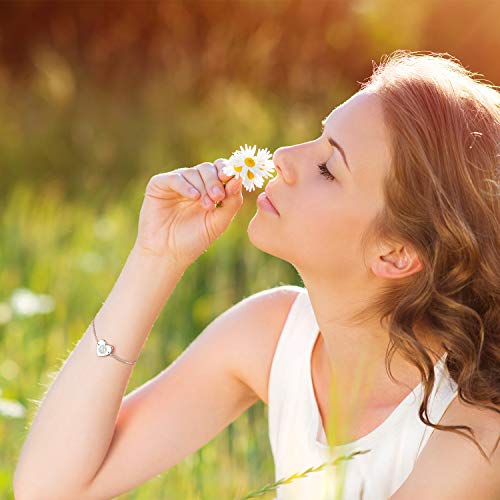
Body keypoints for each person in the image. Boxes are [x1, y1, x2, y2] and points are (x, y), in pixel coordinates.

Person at [14, 50, 499, 499]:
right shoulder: (273, 335)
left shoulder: (478, 426)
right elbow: (50, 488)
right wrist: (155, 257)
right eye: (317, 136)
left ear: (395, 254)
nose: (285, 158)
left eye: (329, 167)